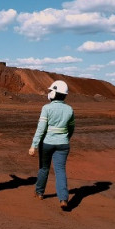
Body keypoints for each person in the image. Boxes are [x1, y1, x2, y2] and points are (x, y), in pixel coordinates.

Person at [28, 80, 75, 210]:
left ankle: (39, 192)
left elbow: (41, 129)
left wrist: (34, 145)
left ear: (53, 93)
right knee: (60, 170)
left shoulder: (46, 108)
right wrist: (65, 138)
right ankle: (64, 198)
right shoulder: (69, 109)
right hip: (63, 144)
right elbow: (71, 128)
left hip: (47, 144)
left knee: (44, 168)